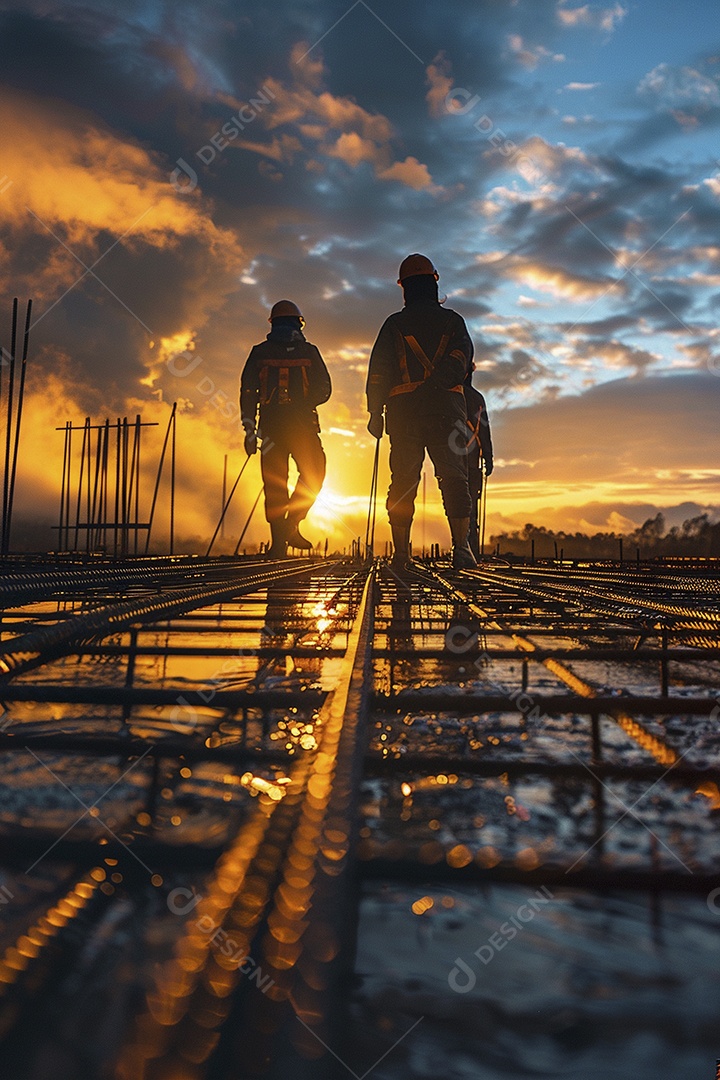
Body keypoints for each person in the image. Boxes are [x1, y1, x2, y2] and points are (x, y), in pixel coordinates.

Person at [366, 254, 476, 570]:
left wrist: (375, 412)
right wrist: (435, 387)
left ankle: (402, 555)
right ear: (433, 282)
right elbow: (461, 362)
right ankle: (461, 549)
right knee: (455, 478)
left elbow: (379, 371)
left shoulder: (393, 325)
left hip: (404, 415)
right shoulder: (454, 322)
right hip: (447, 412)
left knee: (403, 481)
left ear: (405, 288)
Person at [240, 300, 331, 558]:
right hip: (302, 427)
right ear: (298, 323)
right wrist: (302, 405)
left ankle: (280, 541)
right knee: (314, 474)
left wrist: (249, 429)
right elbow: (324, 389)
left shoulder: (259, 353)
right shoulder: (310, 351)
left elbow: (248, 393)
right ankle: (291, 524)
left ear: (273, 323)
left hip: (270, 429)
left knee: (274, 484)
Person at [463, 365, 494, 559]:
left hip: (450, 463)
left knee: (454, 505)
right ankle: (469, 550)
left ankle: (460, 547)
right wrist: (488, 458)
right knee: (471, 506)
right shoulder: (477, 399)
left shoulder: (445, 395)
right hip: (472, 462)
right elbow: (484, 431)